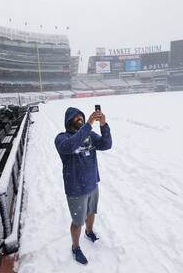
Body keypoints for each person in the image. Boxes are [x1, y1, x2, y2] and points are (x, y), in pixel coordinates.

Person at [54, 107, 112, 265]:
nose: (80, 117)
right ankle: (75, 247)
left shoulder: (89, 135)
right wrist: (88, 124)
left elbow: (107, 144)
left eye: (81, 115)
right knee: (78, 221)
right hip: (76, 188)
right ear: (69, 121)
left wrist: (103, 125)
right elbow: (71, 146)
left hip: (92, 183)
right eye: (76, 116)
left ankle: (89, 231)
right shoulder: (61, 138)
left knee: (92, 212)